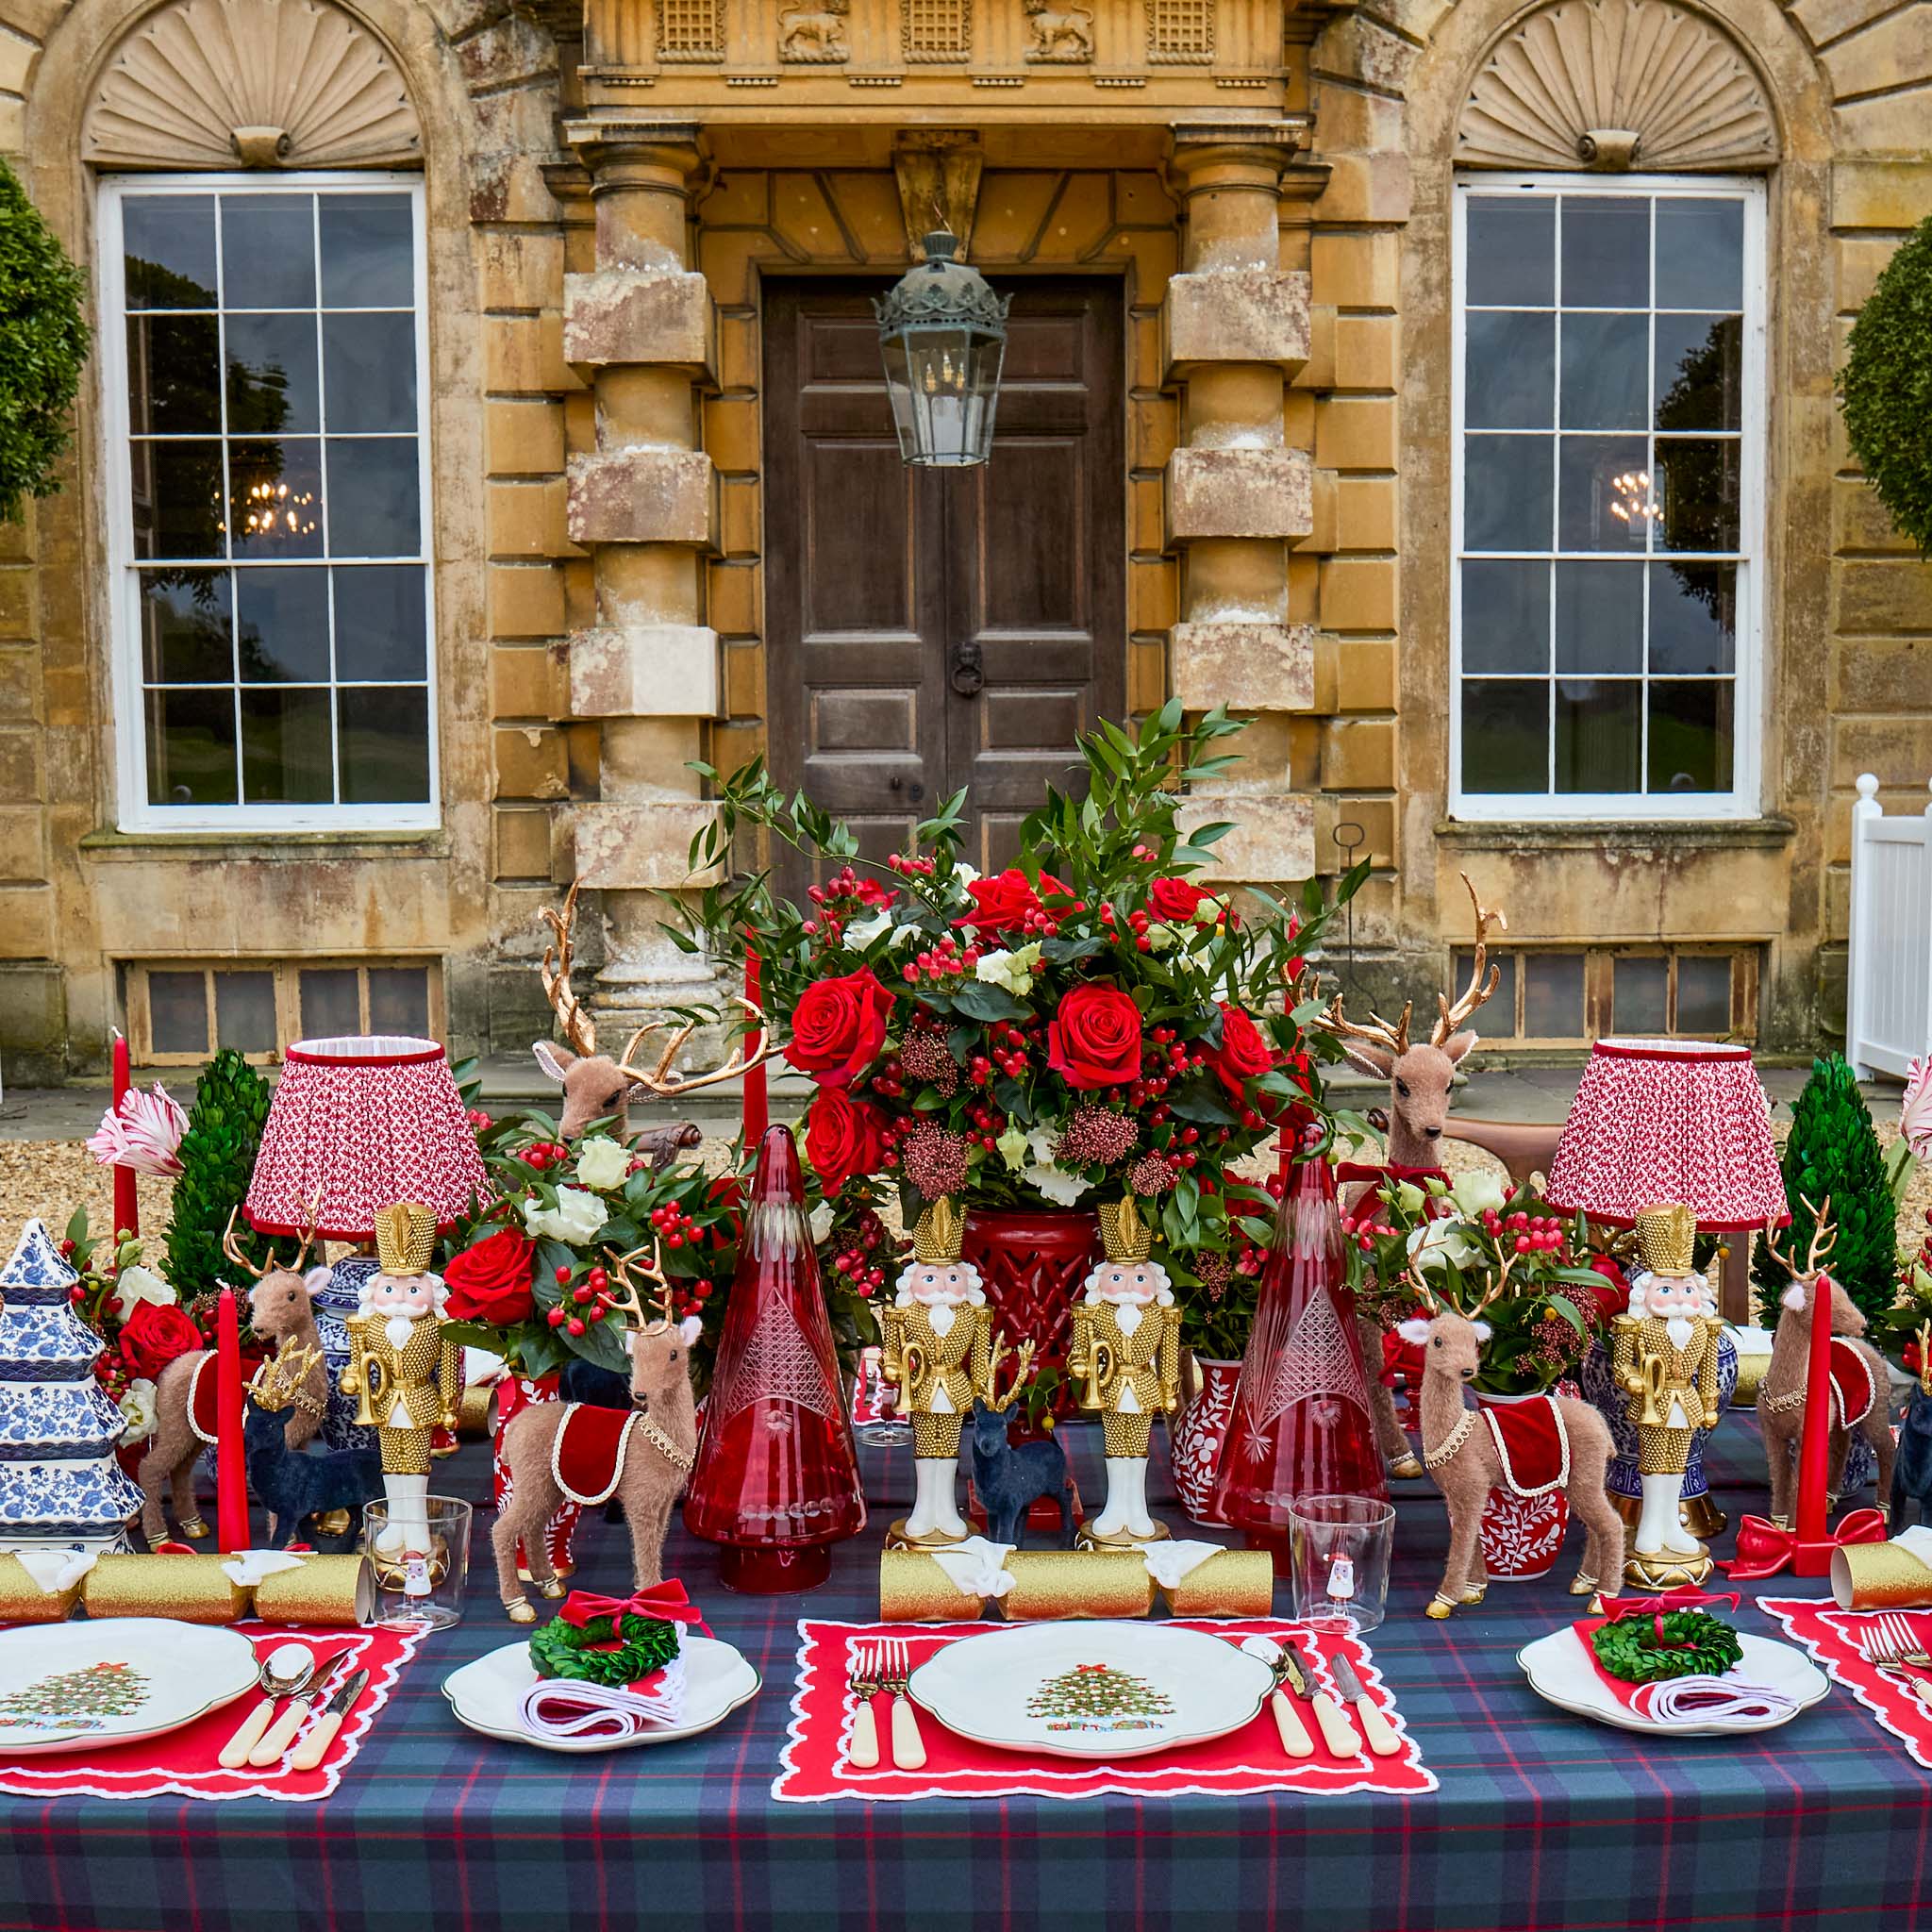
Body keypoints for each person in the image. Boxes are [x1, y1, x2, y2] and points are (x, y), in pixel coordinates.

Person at [339, 1201, 462, 1571]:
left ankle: (418, 1525)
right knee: (392, 1463)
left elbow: (449, 1367)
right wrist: (354, 1377)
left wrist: (449, 1404)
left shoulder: (438, 1328)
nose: (400, 1299)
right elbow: (357, 1361)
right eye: (391, 1288)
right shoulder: (371, 1325)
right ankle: (395, 1522)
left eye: (412, 1289)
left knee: (417, 1465)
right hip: (385, 1400)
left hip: (421, 1398)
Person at [1612, 1201, 1723, 1586]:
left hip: (1685, 1403)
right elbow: (1622, 1366)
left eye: (1686, 1289)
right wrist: (1633, 1381)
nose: (1678, 1298)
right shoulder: (1638, 1328)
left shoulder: (1703, 1329)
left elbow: (1709, 1369)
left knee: (1678, 1463)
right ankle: (1650, 1525)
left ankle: (1671, 1526)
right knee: (1653, 1462)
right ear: (1646, 1292)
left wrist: (1709, 1403)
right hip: (1653, 1403)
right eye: (1666, 1289)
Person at [877, 1197, 991, 1547]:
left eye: (952, 1277)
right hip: (923, 1386)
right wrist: (893, 1369)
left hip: (955, 1384)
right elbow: (892, 1352)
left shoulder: (972, 1315)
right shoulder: (907, 1315)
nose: (942, 1286)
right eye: (930, 1277)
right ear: (913, 1282)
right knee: (926, 1448)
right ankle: (925, 1508)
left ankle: (947, 1510)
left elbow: (981, 1356)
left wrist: (982, 1387)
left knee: (950, 1449)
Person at [1068, 1196, 1181, 1547]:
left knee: (1139, 1448)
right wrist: (1081, 1364)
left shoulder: (1160, 1315)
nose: (1129, 1286)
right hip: (1112, 1384)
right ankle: (1116, 1507)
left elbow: (1169, 1354)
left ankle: (1138, 1509)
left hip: (1144, 1384)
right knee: (1116, 1447)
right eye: (1117, 1277)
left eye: (1139, 1277)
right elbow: (1080, 1349)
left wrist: (1169, 1388)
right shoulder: (1096, 1313)